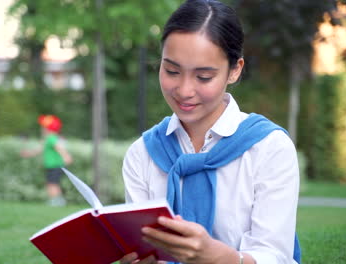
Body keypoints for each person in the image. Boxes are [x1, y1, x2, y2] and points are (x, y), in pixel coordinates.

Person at [120, 0, 301, 263]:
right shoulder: (143, 153)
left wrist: (222, 258)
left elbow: (274, 255)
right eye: (171, 71)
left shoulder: (268, 148)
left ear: (235, 70)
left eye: (203, 77)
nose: (184, 90)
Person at [21, 114, 73, 207]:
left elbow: (59, 147)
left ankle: (56, 201)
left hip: (55, 165)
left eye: (43, 127)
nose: (42, 129)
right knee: (52, 183)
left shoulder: (51, 138)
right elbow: (39, 150)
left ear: (48, 128)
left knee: (53, 184)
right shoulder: (48, 139)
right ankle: (57, 201)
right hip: (52, 165)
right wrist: (28, 153)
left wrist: (66, 156)